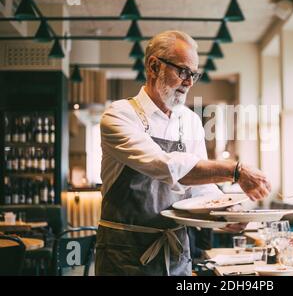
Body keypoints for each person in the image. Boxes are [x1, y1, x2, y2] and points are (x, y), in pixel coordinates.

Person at [95, 30, 271, 276]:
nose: (189, 82)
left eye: (194, 74)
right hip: (124, 252)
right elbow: (164, 165)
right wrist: (234, 170)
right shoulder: (120, 115)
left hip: (176, 251)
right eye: (183, 71)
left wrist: (225, 212)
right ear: (154, 66)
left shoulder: (189, 120)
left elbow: (199, 189)